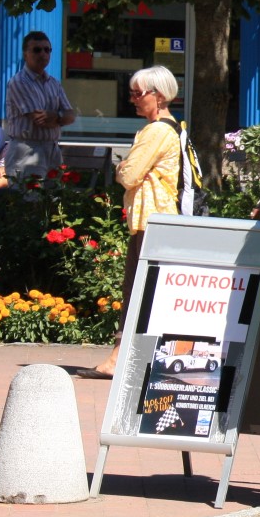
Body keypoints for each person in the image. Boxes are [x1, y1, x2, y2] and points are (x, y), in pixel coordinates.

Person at [86, 66, 182, 380]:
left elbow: (127, 175)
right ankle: (133, 356)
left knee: (137, 290)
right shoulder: (168, 127)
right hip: (155, 219)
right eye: (132, 93)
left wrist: (123, 168)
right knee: (143, 290)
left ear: (160, 95)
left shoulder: (157, 131)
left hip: (151, 219)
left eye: (139, 94)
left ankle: (120, 357)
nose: (133, 100)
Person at [2, 30, 77, 179]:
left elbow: (71, 115)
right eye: (37, 50)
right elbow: (40, 120)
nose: (43, 54)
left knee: (53, 200)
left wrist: (56, 116)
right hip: (27, 150)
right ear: (25, 54)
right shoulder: (19, 82)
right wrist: (61, 118)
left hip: (52, 149)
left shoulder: (54, 83)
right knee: (29, 199)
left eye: (47, 50)